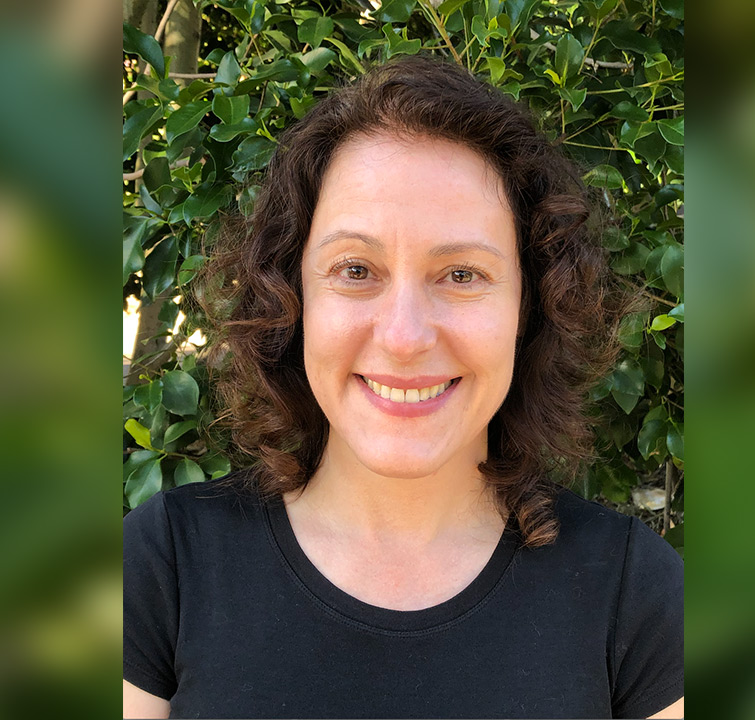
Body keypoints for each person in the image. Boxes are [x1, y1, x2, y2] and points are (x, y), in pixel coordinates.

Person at [124, 55, 683, 719]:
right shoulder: (164, 566)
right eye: (356, 269)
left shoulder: (635, 594)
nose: (405, 336)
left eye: (462, 274)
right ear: (292, 296)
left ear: (531, 308)